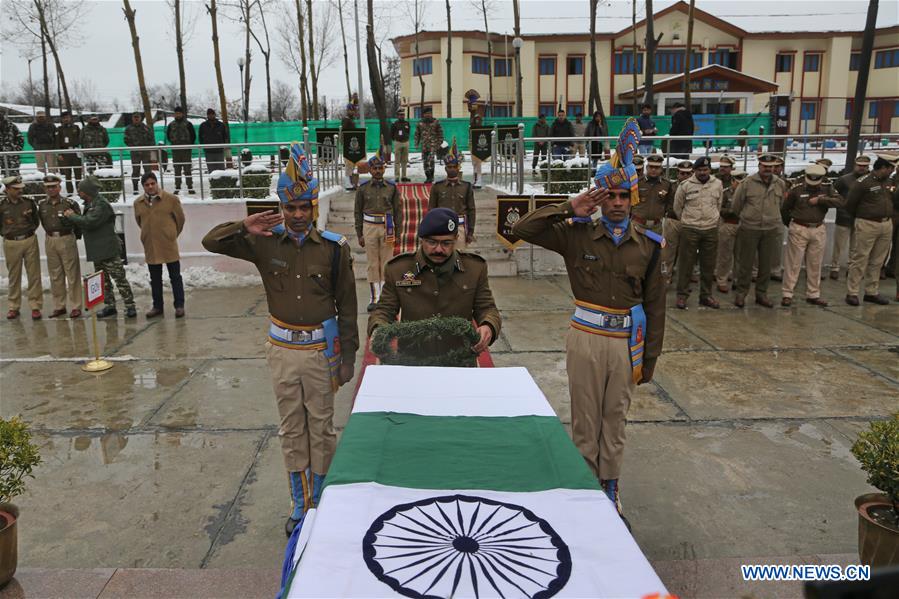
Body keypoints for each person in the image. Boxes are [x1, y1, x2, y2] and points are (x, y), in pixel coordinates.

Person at [512, 119, 665, 525]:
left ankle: (610, 486)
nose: (616, 203)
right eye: (608, 195)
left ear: (632, 198)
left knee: (616, 417)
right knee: (585, 417)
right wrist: (569, 206)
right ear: (598, 197)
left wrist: (649, 360)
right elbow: (521, 228)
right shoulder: (576, 235)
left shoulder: (648, 246)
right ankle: (584, 485)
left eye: (622, 195)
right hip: (585, 338)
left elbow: (656, 305)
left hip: (625, 342)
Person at [202, 144, 358, 537]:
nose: (299, 215)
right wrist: (244, 226)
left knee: (321, 427)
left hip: (321, 350)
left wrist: (348, 357)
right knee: (292, 428)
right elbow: (210, 242)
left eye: (305, 207)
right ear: (281, 208)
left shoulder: (334, 250)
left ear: (314, 207)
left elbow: (348, 306)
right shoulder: (263, 242)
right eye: (291, 208)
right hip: (283, 352)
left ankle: (321, 502)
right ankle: (299, 503)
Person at [368, 207, 501, 362]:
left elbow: (486, 308)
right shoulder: (398, 269)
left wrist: (488, 326)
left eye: (446, 243)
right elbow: (384, 309)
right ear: (421, 239)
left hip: (460, 359)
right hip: (413, 360)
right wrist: (378, 328)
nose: (438, 249)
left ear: (456, 238)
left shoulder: (474, 269)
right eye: (432, 242)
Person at [63, 176, 137, 319]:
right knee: (104, 281)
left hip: (108, 249)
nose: (78, 192)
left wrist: (72, 216)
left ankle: (130, 306)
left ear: (88, 191)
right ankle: (110, 305)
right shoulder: (90, 204)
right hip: (97, 250)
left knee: (119, 279)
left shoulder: (100, 204)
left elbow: (90, 222)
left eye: (80, 189)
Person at [780, 164, 843, 307]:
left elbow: (840, 201)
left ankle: (813, 294)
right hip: (800, 226)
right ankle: (787, 293)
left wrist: (821, 200)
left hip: (818, 227)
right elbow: (785, 209)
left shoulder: (827, 186)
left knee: (815, 263)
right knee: (793, 263)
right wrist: (791, 224)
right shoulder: (797, 187)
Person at [730, 154, 783, 308]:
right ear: (759, 166)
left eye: (770, 167)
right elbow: (736, 205)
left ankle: (761, 294)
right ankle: (741, 293)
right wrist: (748, 217)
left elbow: (781, 204)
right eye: (765, 166)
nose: (768, 169)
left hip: (770, 229)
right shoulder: (747, 183)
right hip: (750, 228)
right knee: (745, 264)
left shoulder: (779, 183)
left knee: (766, 265)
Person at [844, 155, 897, 306]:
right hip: (867, 223)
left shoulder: (889, 182)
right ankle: (852, 292)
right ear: (883, 168)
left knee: (878, 260)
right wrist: (862, 217)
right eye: (890, 168)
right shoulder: (863, 183)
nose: (892, 171)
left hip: (886, 223)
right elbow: (849, 204)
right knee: (860, 258)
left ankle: (871, 291)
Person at [673, 156, 724, 309]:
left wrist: (712, 219)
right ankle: (682, 296)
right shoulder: (685, 185)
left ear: (710, 170)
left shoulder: (717, 184)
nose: (703, 172)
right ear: (694, 171)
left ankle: (706, 296)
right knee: (686, 265)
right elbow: (677, 207)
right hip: (690, 228)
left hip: (710, 229)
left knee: (708, 265)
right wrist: (687, 221)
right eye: (700, 170)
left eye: (706, 169)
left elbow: (718, 204)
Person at [134, 172, 186, 318]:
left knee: (175, 276)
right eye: (147, 185)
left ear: (157, 183)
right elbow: (140, 222)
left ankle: (179, 305)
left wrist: (171, 234)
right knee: (155, 278)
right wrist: (148, 234)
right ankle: (157, 306)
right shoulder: (138, 203)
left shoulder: (171, 200)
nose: (150, 187)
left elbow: (180, 220)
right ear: (143, 186)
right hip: (150, 245)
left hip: (168, 243)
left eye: (152, 183)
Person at [355, 152, 401, 311]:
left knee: (387, 262)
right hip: (369, 227)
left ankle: (386, 297)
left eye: (380, 168)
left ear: (384, 169)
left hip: (387, 226)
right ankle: (375, 297)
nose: (377, 171)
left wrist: (399, 233)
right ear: (369, 170)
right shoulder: (362, 189)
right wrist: (359, 233)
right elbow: (357, 212)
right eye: (374, 168)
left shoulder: (392, 188)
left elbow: (398, 212)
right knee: (373, 263)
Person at [38, 173, 83, 318]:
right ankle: (59, 306)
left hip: (66, 237)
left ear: (59, 187)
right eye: (48, 187)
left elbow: (78, 221)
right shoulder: (42, 205)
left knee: (72, 273)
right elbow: (38, 222)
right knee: (55, 274)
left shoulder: (69, 203)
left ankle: (76, 305)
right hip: (50, 239)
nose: (51, 190)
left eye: (54, 187)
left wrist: (73, 236)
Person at [1, 175, 43, 320]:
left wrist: (29, 232)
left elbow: (35, 221)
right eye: (15, 189)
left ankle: (35, 306)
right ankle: (13, 306)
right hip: (11, 242)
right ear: (7, 189)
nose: (19, 191)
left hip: (29, 239)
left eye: (20, 188)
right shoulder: (1, 205)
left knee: (34, 274)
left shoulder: (28, 202)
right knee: (14, 275)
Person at [428, 142, 475, 251]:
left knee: (460, 258)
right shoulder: (438, 187)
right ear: (445, 169)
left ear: (458, 168)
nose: (452, 169)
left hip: (460, 228)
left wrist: (470, 232)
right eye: (449, 167)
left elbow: (471, 210)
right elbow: (431, 209)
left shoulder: (466, 186)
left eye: (454, 167)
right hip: (442, 228)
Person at [829, 156, 870, 280]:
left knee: (856, 247)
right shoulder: (844, 180)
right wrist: (842, 205)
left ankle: (852, 268)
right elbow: (834, 193)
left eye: (865, 166)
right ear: (854, 165)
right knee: (838, 246)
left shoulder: (870, 180)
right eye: (859, 165)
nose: (862, 168)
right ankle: (834, 267)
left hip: (861, 217)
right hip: (844, 217)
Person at [661, 160, 693, 285]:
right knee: (667, 254)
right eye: (682, 173)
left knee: (686, 254)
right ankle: (665, 278)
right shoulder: (670, 186)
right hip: (672, 221)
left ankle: (684, 280)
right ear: (678, 174)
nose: (685, 176)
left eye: (688, 174)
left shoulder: (696, 187)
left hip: (689, 222)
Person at [715, 169, 746, 293]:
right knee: (725, 256)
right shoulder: (725, 193)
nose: (739, 183)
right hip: (728, 224)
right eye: (737, 180)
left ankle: (737, 279)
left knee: (741, 256)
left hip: (743, 225)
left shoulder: (747, 193)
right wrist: (731, 211)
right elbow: (718, 208)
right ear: (732, 181)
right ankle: (722, 280)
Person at [633, 154, 671, 235]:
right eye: (651, 167)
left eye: (657, 167)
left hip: (656, 226)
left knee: (656, 247)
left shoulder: (666, 184)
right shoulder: (637, 183)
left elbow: (668, 203)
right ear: (646, 168)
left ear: (661, 169)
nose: (653, 169)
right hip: (638, 224)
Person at [166, 106, 197, 195]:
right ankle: (177, 187)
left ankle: (190, 187)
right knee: (177, 169)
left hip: (186, 150)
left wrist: (188, 145)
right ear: (174, 114)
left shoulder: (188, 124)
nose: (178, 115)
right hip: (176, 150)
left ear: (182, 114)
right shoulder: (171, 124)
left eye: (179, 113)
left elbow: (193, 136)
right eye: (176, 113)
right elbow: (168, 136)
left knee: (187, 169)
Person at [124, 112, 156, 194]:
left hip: (146, 152)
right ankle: (135, 188)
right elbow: (126, 140)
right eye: (135, 117)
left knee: (148, 171)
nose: (136, 119)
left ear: (141, 118)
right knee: (135, 170)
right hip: (135, 153)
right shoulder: (128, 128)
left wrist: (148, 148)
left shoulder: (146, 128)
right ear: (132, 118)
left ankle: (149, 188)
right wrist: (134, 147)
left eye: (138, 117)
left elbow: (152, 139)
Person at [414, 106, 443, 183]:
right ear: (423, 114)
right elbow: (417, 134)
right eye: (426, 113)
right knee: (425, 162)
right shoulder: (420, 123)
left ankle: (431, 177)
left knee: (430, 161)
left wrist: (439, 143)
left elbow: (440, 133)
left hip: (433, 146)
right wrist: (416, 143)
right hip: (424, 146)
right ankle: (427, 176)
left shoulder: (436, 122)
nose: (428, 115)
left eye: (429, 113)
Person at [55, 111, 82, 194]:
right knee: (67, 174)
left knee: (78, 173)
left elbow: (80, 139)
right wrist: (59, 153)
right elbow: (57, 142)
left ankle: (79, 191)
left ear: (70, 118)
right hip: (65, 153)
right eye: (64, 118)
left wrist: (80, 150)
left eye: (67, 117)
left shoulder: (76, 127)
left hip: (75, 152)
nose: (66, 119)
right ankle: (70, 192)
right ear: (62, 119)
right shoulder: (59, 129)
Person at [198, 108, 229, 173]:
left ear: (215, 115)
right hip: (208, 151)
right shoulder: (203, 125)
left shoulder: (221, 125)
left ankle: (221, 182)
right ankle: (212, 182)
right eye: (209, 114)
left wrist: (225, 146)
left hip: (219, 151)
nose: (211, 116)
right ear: (207, 115)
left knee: (221, 169)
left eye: (212, 114)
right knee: (211, 170)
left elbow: (225, 136)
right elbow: (200, 137)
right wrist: (204, 146)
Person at [466, 91, 485, 188]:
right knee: (474, 162)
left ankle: (479, 180)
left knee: (477, 162)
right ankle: (475, 179)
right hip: (472, 140)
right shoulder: (472, 115)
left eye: (470, 105)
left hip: (477, 140)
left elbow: (477, 129)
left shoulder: (477, 116)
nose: (468, 107)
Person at [0, 109, 24, 176]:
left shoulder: (11, 126)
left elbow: (20, 138)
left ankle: (16, 186)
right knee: (4, 176)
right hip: (1, 156)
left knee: (15, 174)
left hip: (13, 155)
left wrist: (16, 149)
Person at [341, 103, 359, 190]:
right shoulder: (346, 120)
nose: (352, 112)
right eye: (350, 110)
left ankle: (350, 182)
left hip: (351, 145)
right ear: (347, 110)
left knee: (351, 164)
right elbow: (344, 132)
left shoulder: (350, 120)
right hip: (348, 145)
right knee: (348, 164)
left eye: (353, 110)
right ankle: (347, 183)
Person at [389, 107, 410, 182]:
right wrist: (395, 140)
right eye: (400, 115)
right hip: (397, 143)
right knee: (397, 161)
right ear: (398, 115)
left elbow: (408, 132)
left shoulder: (407, 123)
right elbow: (391, 134)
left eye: (403, 115)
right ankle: (397, 176)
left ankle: (404, 176)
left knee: (404, 161)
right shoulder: (394, 124)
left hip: (406, 142)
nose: (402, 116)